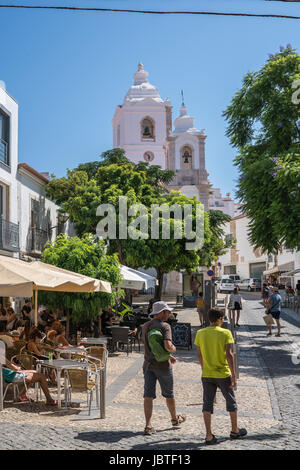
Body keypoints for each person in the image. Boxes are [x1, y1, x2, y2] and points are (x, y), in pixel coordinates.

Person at [195, 308, 247, 445]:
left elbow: (199, 354)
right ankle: (234, 430)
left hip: (207, 373)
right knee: (231, 401)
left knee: (207, 403)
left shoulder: (200, 333)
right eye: (223, 318)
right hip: (223, 373)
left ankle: (208, 435)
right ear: (219, 319)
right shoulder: (225, 332)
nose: (223, 320)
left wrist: (204, 367)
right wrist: (234, 375)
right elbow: (229, 355)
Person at [141, 301, 186, 436]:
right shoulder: (165, 326)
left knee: (148, 396)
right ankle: (174, 419)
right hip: (163, 366)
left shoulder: (145, 326)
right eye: (167, 312)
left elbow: (154, 346)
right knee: (169, 394)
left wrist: (168, 355)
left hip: (148, 365)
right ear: (161, 313)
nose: (169, 314)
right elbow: (167, 345)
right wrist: (173, 349)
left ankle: (148, 425)